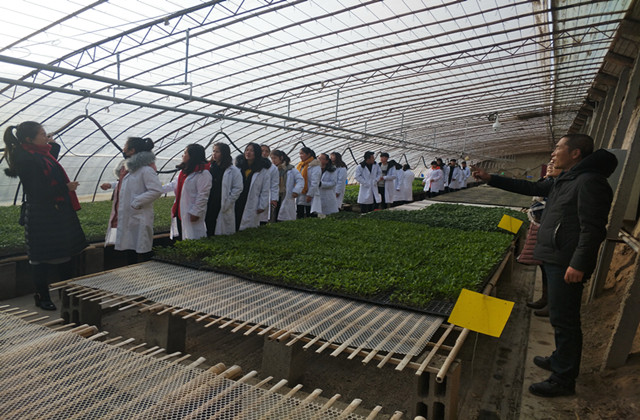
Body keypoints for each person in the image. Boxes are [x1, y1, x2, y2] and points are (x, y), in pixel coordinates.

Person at [472, 134, 617, 398]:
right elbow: (530, 188)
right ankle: (559, 359)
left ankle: (563, 379)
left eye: (558, 147)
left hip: (566, 261)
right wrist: (491, 178)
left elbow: (593, 229)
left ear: (575, 153)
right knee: (559, 317)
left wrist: (578, 264)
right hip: (556, 256)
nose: (553, 153)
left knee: (565, 321)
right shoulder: (567, 179)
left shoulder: (589, 182)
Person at [3, 122, 87, 311]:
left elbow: (47, 168)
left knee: (64, 255)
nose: (46, 136)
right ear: (29, 139)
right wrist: (65, 188)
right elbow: (37, 191)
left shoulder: (40, 154)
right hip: (41, 214)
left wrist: (52, 143)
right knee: (40, 258)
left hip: (55, 213)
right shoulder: (26, 159)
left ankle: (66, 293)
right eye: (42, 134)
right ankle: (42, 297)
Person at [101, 136, 162, 265]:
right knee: (130, 247)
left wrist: (136, 202)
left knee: (142, 249)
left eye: (125, 146)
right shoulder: (129, 170)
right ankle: (133, 271)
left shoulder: (146, 170)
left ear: (132, 150)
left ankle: (148, 272)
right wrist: (111, 185)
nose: (123, 149)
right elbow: (127, 185)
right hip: (130, 215)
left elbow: (156, 190)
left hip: (138, 214)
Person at [518, 161, 563, 318]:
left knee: (552, 269)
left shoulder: (561, 185)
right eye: (549, 163)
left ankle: (553, 304)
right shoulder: (548, 181)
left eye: (554, 164)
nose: (550, 165)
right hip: (541, 226)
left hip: (552, 231)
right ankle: (545, 298)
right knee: (543, 265)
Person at [162, 144, 212, 240]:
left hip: (191, 213)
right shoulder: (184, 172)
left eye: (185, 153)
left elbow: (203, 195)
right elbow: (173, 185)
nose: (183, 155)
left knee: (193, 238)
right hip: (180, 212)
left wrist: (196, 213)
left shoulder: (203, 173)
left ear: (192, 156)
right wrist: (156, 189)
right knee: (182, 237)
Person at [205, 143, 243, 236]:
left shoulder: (233, 170)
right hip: (209, 200)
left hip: (222, 201)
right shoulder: (210, 167)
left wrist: (229, 201)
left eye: (217, 152)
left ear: (224, 153)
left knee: (220, 228)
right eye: (213, 151)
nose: (214, 154)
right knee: (208, 222)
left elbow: (238, 188)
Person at [235, 142, 270, 231]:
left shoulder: (263, 171)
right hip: (237, 200)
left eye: (251, 151)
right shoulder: (238, 168)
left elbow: (265, 190)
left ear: (257, 153)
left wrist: (262, 205)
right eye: (247, 150)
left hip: (252, 201)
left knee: (248, 229)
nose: (248, 152)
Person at [270, 149, 303, 221]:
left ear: (281, 158)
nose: (273, 160)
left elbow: (300, 180)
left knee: (283, 218)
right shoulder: (272, 169)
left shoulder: (290, 169)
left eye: (275, 158)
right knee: (273, 216)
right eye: (272, 158)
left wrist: (296, 191)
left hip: (285, 195)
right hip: (274, 195)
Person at [296, 147, 321, 218]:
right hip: (300, 193)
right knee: (300, 213)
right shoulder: (300, 165)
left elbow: (315, 182)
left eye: (302, 153)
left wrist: (310, 194)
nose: (300, 155)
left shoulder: (315, 166)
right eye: (300, 154)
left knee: (310, 213)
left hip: (309, 193)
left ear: (308, 154)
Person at [260, 144, 279, 224]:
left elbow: (274, 184)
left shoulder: (273, 168)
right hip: (252, 196)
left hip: (265, 195)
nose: (264, 153)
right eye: (262, 151)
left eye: (267, 151)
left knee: (262, 219)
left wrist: (274, 198)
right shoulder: (251, 164)